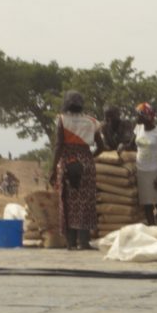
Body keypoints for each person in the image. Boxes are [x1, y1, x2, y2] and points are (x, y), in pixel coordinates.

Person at [51, 91, 100, 250]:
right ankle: (84, 242)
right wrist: (88, 156)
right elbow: (102, 146)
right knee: (85, 203)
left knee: (68, 203)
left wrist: (53, 168)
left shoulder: (61, 120)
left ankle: (71, 242)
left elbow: (59, 146)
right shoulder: (91, 121)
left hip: (68, 164)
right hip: (86, 165)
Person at [134, 102, 157, 226]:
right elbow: (131, 144)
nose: (137, 118)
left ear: (147, 116)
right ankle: (151, 230)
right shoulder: (138, 129)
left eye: (139, 115)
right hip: (141, 171)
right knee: (147, 206)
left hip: (155, 171)